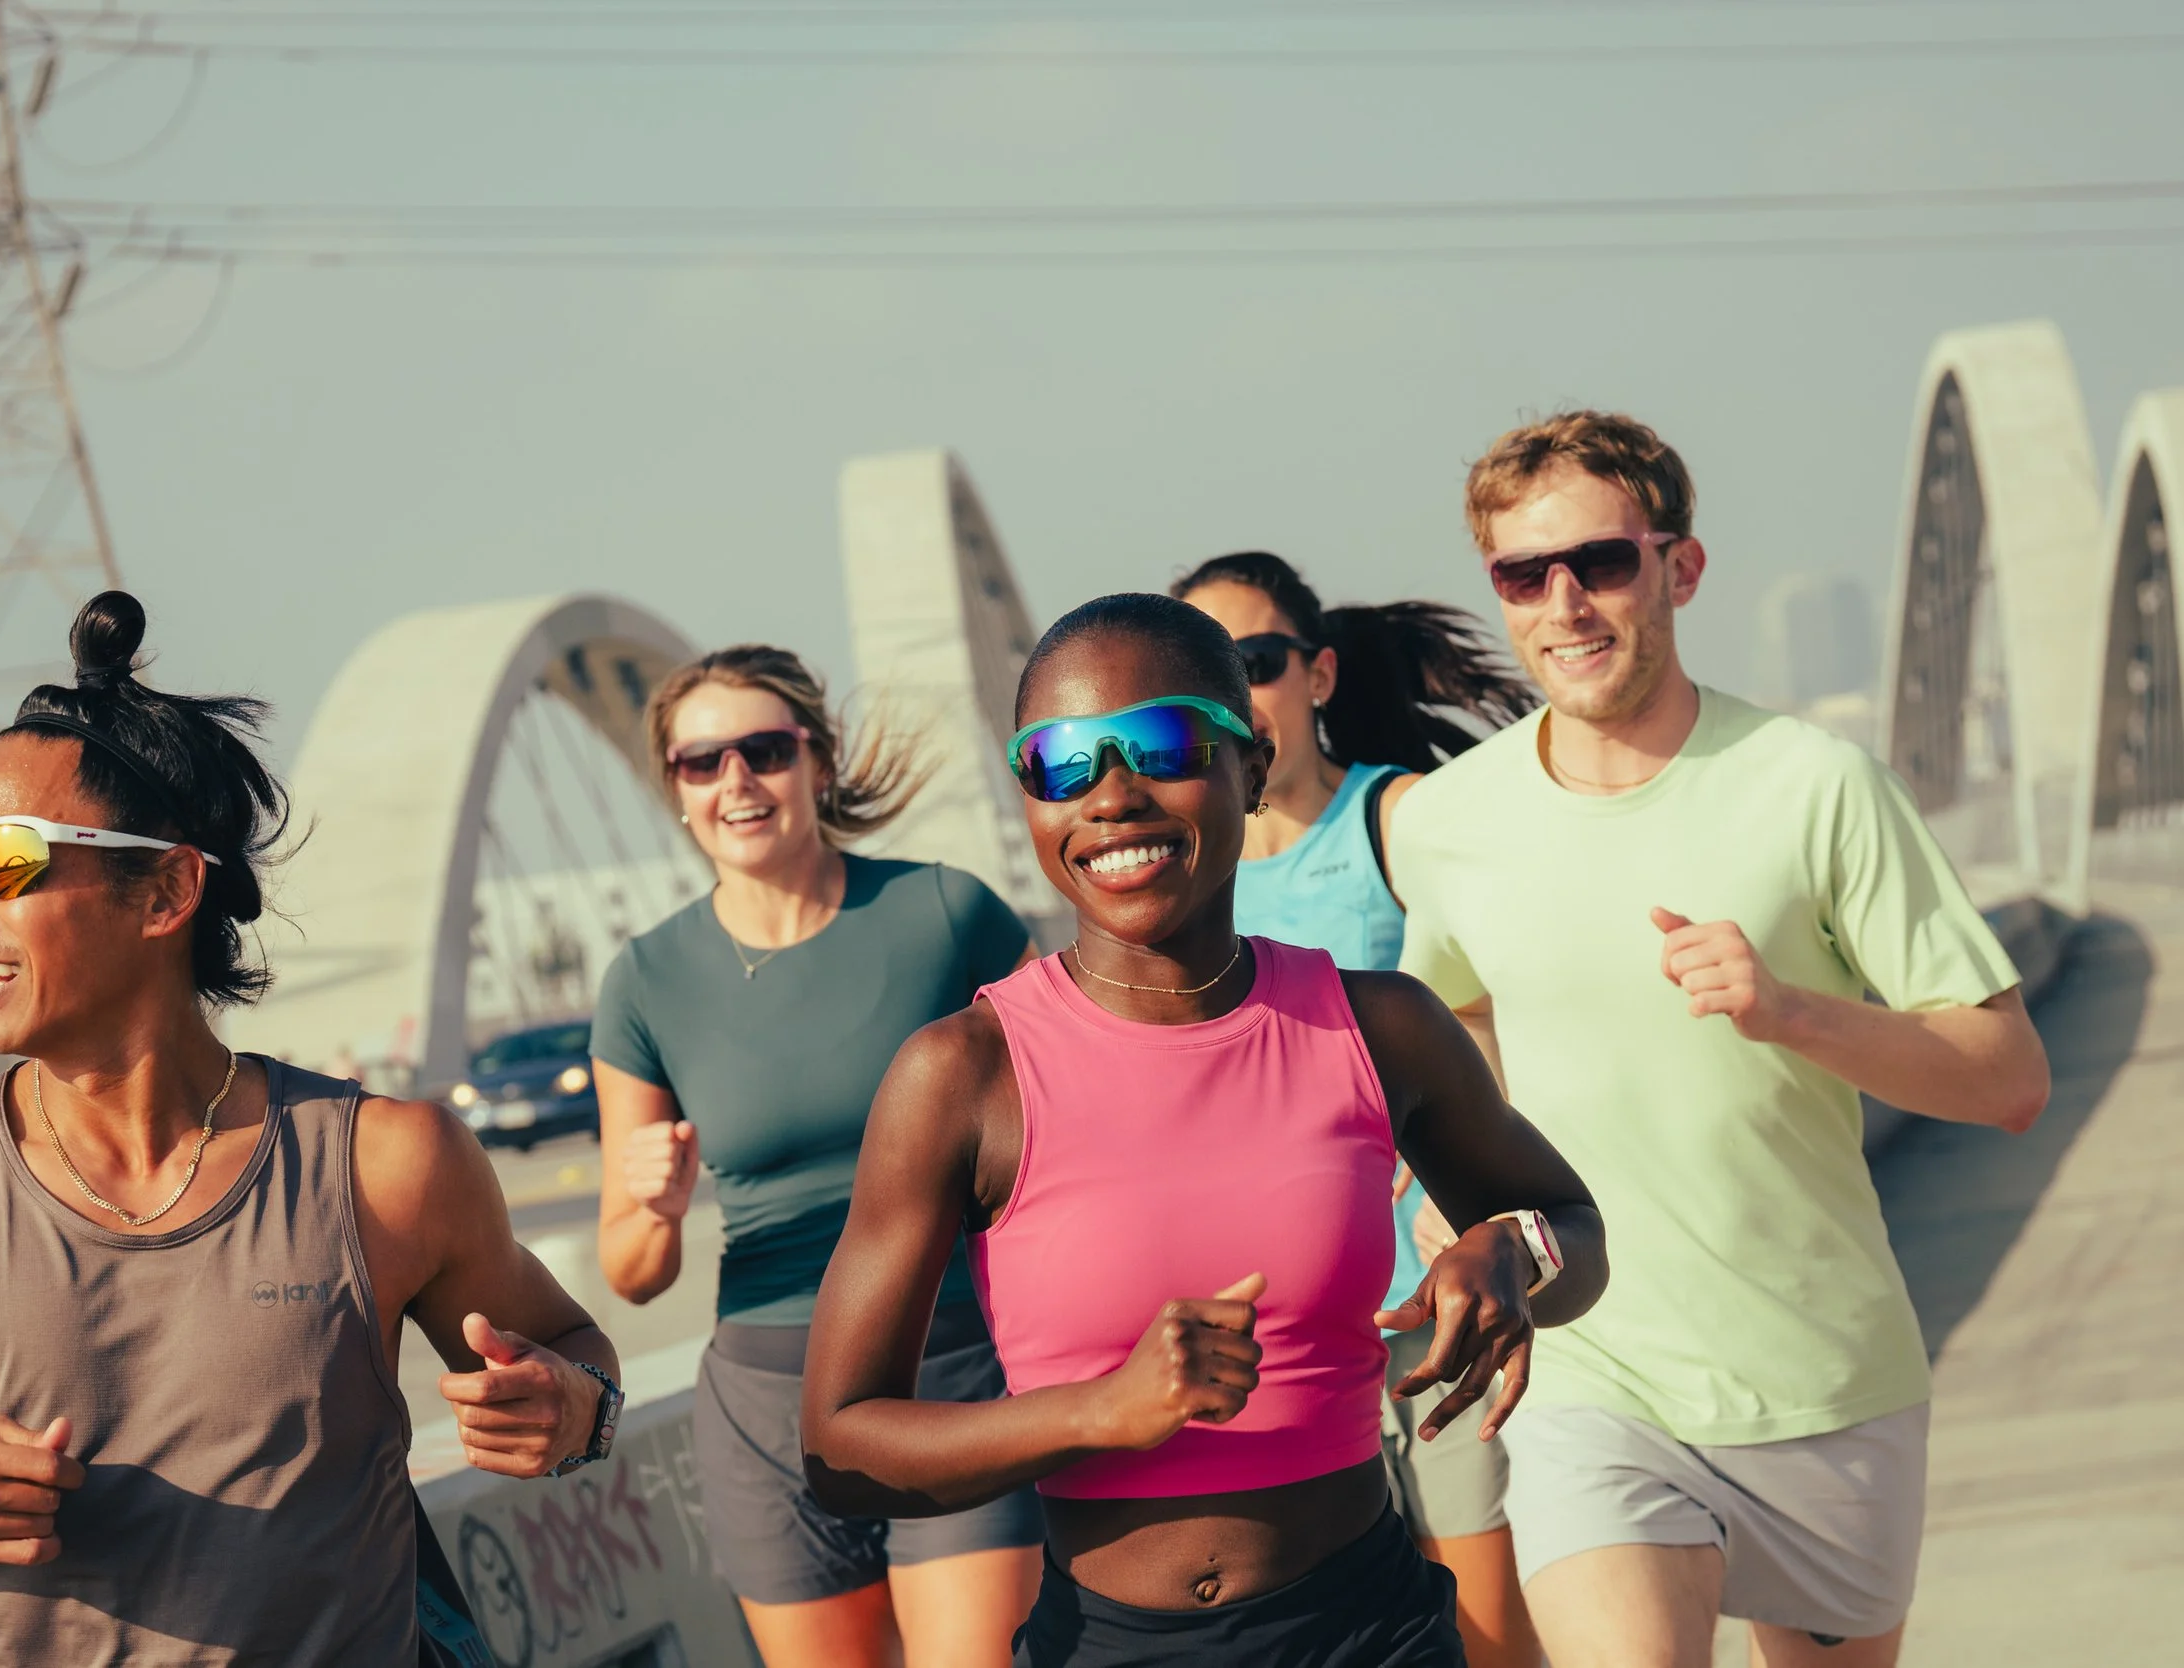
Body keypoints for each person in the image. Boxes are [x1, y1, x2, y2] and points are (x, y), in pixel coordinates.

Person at [0, 593, 622, 1665]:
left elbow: (574, 1352)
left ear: (165, 891)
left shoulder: (387, 1165)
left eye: (6, 863)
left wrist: (570, 1413)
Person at [800, 592, 1610, 1668]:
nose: (1114, 796)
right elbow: (840, 1447)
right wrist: (1099, 1410)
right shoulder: (962, 1075)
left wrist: (1515, 1250)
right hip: (1109, 1648)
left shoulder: (1378, 1026)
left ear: (1252, 766)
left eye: (1164, 744)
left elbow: (1573, 1226)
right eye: (1062, 763)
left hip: (1371, 1631)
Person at [1388, 412, 2053, 1668]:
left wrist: (1788, 1010)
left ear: (1678, 570)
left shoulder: (1815, 785)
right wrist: (1449, 1174)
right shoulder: (1450, 824)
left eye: (1603, 563)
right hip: (1590, 1374)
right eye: (1525, 575)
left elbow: (2010, 1079)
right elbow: (1456, 1014)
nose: (1566, 604)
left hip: (1820, 1379)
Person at [592, 645, 1043, 1668]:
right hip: (766, 1406)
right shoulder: (644, 979)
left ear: (819, 763)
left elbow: (1078, 1118)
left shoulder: (946, 912)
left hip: (954, 1370)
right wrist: (652, 1209)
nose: (735, 782)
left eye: (763, 750)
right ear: (676, 791)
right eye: (700, 763)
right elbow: (631, 1270)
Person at [1172, 550, 1541, 1668]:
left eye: (1259, 660)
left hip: (1433, 1304)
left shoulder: (1397, 818)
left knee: (1488, 1627)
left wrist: (1460, 1192)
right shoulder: (1188, 871)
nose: (1239, 692)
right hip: (1277, 1335)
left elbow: (1509, 1012)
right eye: (1206, 673)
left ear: (1318, 675)